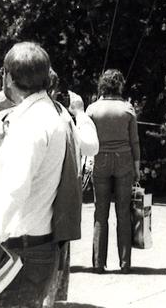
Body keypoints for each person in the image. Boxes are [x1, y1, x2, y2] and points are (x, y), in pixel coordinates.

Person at [0, 42, 68, 307]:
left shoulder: (29, 124)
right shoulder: (50, 114)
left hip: (16, 252)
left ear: (8, 77)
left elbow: (13, 192)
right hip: (35, 247)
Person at [44, 71, 99, 306]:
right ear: (54, 89)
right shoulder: (61, 114)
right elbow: (90, 146)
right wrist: (81, 112)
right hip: (58, 203)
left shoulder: (13, 113)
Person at [86, 69, 140, 274]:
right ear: (119, 85)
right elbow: (135, 141)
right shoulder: (127, 109)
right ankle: (125, 263)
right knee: (123, 213)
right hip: (124, 160)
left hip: (100, 160)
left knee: (101, 214)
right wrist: (137, 167)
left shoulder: (92, 109)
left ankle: (98, 264)